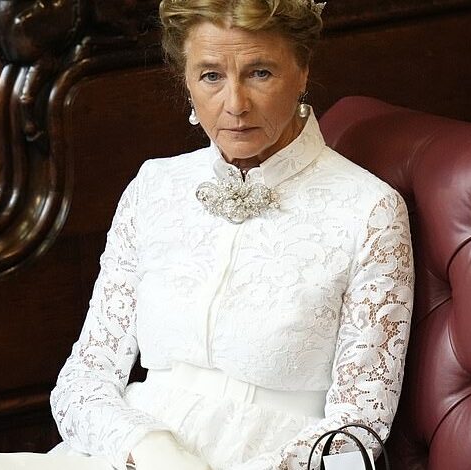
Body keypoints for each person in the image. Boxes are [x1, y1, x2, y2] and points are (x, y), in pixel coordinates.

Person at [50, 1, 414, 469]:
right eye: (210, 76)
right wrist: (149, 449)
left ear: (302, 71)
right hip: (127, 454)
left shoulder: (370, 211)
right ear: (186, 79)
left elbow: (356, 429)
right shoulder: (153, 188)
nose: (235, 105)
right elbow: (84, 378)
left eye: (260, 72)